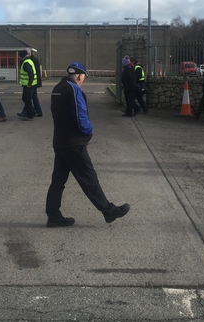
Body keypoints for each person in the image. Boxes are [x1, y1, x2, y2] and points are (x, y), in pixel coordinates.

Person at [45, 62, 130, 227]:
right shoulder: (73, 89)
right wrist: (88, 131)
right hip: (74, 143)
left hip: (60, 141)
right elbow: (80, 115)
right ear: (79, 75)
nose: (82, 80)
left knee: (58, 181)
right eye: (83, 76)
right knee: (89, 178)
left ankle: (53, 215)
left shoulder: (57, 88)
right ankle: (109, 211)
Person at [18, 49, 37, 120]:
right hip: (31, 84)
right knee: (25, 99)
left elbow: (30, 74)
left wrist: (29, 83)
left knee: (27, 99)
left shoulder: (25, 63)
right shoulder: (28, 61)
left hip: (28, 85)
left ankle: (30, 115)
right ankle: (32, 111)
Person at [29, 49, 44, 117]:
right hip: (35, 82)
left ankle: (27, 111)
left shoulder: (31, 61)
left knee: (28, 98)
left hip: (33, 82)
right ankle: (39, 111)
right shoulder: (35, 59)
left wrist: (30, 83)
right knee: (34, 98)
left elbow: (33, 73)